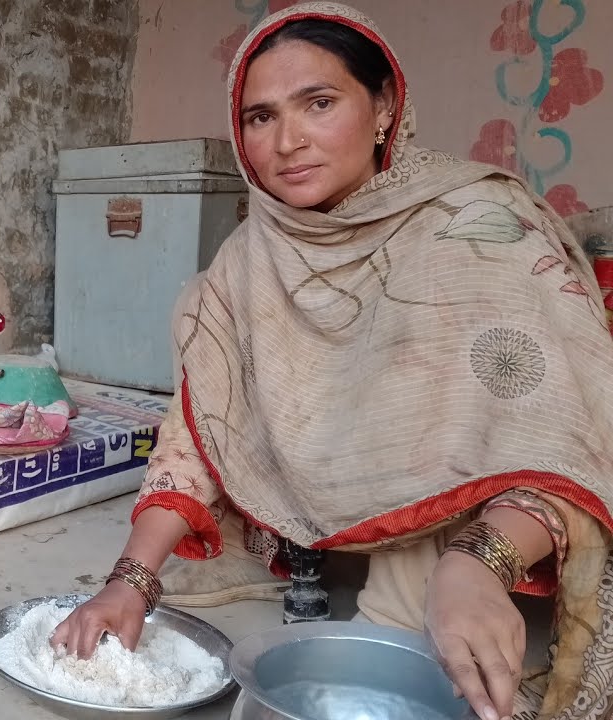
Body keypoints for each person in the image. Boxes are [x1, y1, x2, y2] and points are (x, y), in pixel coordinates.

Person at [49, 4, 613, 720]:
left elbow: (568, 431)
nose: (288, 142)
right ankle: (327, 568)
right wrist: (130, 580)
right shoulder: (250, 256)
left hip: (469, 513)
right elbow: (198, 429)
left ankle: (426, 597)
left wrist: (482, 560)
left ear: (383, 107)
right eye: (260, 117)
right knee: (200, 303)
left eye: (319, 103)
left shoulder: (475, 226)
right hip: (315, 495)